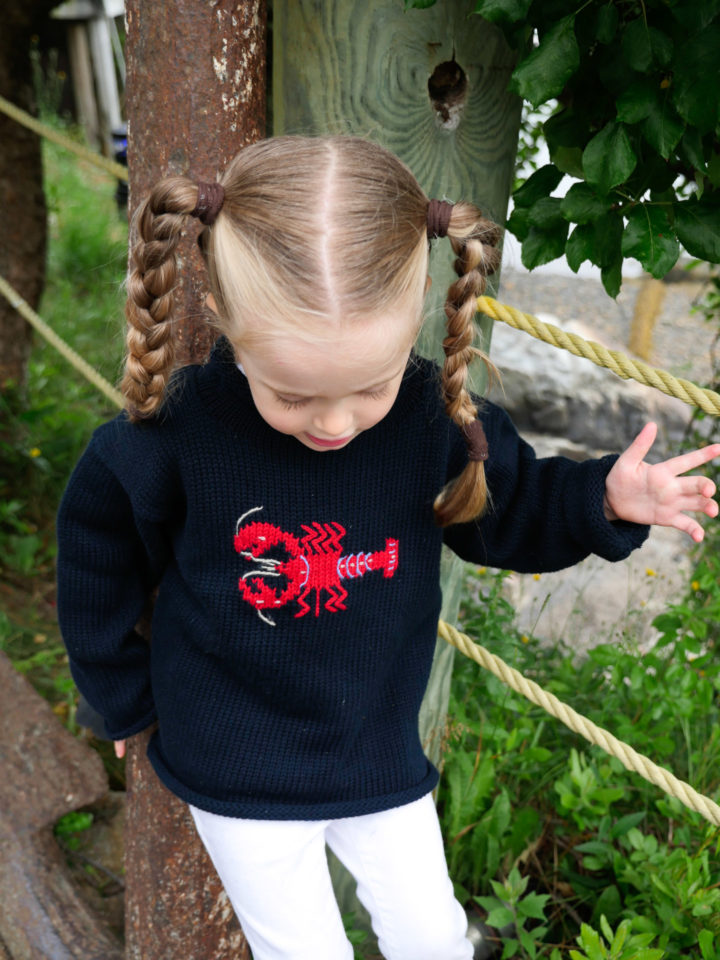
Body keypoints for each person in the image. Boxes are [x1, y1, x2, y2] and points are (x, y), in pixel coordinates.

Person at [56, 136, 720, 960]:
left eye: (367, 386)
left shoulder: (425, 416)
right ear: (226, 319)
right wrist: (116, 693)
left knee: (435, 938)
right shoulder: (173, 439)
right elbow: (96, 560)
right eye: (294, 394)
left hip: (375, 747)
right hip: (235, 759)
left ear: (416, 315)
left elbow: (504, 508)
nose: (335, 424)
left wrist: (603, 498)